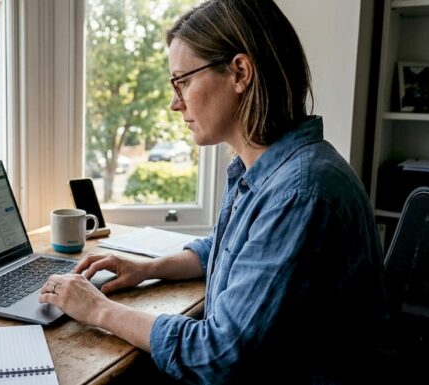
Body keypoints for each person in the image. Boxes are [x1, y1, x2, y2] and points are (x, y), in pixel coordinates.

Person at [39, 0, 387, 384]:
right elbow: (230, 247)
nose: (175, 103)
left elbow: (216, 354)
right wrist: (149, 269)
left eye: (182, 81)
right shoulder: (267, 168)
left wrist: (98, 310)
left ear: (239, 72)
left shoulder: (298, 194)